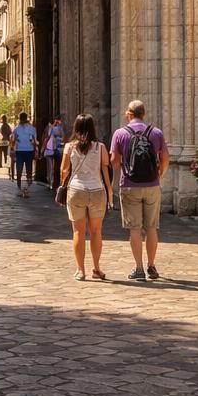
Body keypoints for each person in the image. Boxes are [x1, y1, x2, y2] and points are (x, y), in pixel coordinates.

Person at [110, 100, 170, 281]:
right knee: (152, 227)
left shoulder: (120, 134)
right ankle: (151, 266)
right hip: (152, 185)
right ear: (143, 114)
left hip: (129, 185)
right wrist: (160, 174)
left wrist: (122, 168)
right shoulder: (156, 133)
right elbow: (165, 157)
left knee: (134, 229)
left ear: (129, 114)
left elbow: (114, 160)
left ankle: (139, 268)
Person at [60, 113, 112, 281]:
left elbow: (64, 170)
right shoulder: (100, 147)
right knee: (96, 232)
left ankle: (80, 270)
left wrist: (63, 187)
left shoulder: (69, 147)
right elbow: (105, 171)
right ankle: (96, 268)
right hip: (97, 190)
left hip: (76, 190)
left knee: (78, 232)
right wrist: (109, 192)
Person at [11, 111, 39, 196]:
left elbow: (13, 140)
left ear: (19, 118)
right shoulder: (32, 128)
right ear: (26, 118)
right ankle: (27, 188)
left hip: (19, 151)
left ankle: (19, 188)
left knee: (19, 170)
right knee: (29, 169)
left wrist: (12, 150)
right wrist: (36, 151)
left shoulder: (16, 129)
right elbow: (35, 141)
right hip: (29, 150)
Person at [46, 116, 65, 189]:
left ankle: (51, 181)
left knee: (52, 167)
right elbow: (63, 138)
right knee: (54, 167)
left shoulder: (51, 128)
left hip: (52, 149)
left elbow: (46, 138)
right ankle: (53, 182)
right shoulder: (57, 128)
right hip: (56, 149)